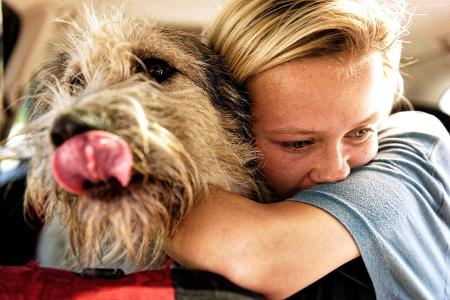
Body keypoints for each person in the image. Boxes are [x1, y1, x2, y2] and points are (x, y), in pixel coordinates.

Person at [167, 0, 450, 299]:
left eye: (361, 132)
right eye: (298, 143)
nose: (336, 170)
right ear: (232, 129)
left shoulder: (417, 141)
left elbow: (257, 254)